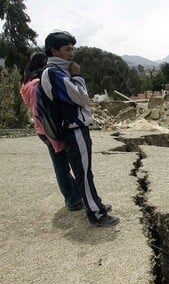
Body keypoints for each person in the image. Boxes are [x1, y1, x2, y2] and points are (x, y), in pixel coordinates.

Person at [41, 31, 119, 227]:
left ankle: (94, 203)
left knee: (84, 171)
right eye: (67, 49)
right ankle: (96, 214)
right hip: (73, 129)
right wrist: (77, 76)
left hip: (75, 129)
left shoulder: (59, 72)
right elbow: (82, 98)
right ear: (54, 50)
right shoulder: (55, 73)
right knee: (83, 172)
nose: (71, 53)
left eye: (73, 49)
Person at [20, 51, 84, 212]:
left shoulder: (26, 84)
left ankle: (75, 195)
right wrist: (55, 133)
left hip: (43, 130)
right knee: (62, 166)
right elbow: (39, 112)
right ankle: (73, 199)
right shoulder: (35, 84)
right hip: (49, 130)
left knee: (62, 164)